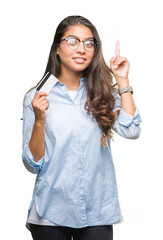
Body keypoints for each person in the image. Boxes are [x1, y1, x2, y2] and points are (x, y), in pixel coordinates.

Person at [22, 15, 141, 240]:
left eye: (89, 43)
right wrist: (39, 120)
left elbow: (131, 130)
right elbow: (32, 164)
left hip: (98, 212)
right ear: (57, 48)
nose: (81, 49)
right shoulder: (37, 97)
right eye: (73, 41)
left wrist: (123, 81)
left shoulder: (103, 94)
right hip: (50, 212)